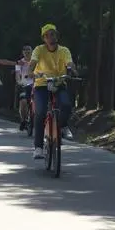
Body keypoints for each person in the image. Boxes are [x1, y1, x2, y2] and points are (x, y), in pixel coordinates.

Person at [28, 24, 77, 159]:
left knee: (66, 105)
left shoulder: (64, 50)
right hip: (42, 84)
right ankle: (38, 147)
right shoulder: (39, 50)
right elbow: (32, 63)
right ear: (44, 38)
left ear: (57, 36)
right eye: (48, 35)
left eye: (53, 34)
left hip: (59, 82)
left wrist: (72, 69)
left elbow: (69, 63)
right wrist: (31, 72)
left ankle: (62, 126)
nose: (51, 38)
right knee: (40, 112)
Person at [15, 45, 34, 131]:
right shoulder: (19, 62)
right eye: (25, 50)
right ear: (23, 52)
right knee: (23, 102)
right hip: (24, 85)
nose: (27, 52)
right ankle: (23, 120)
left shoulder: (35, 62)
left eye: (29, 50)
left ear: (32, 51)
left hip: (35, 84)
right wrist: (19, 81)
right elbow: (17, 74)